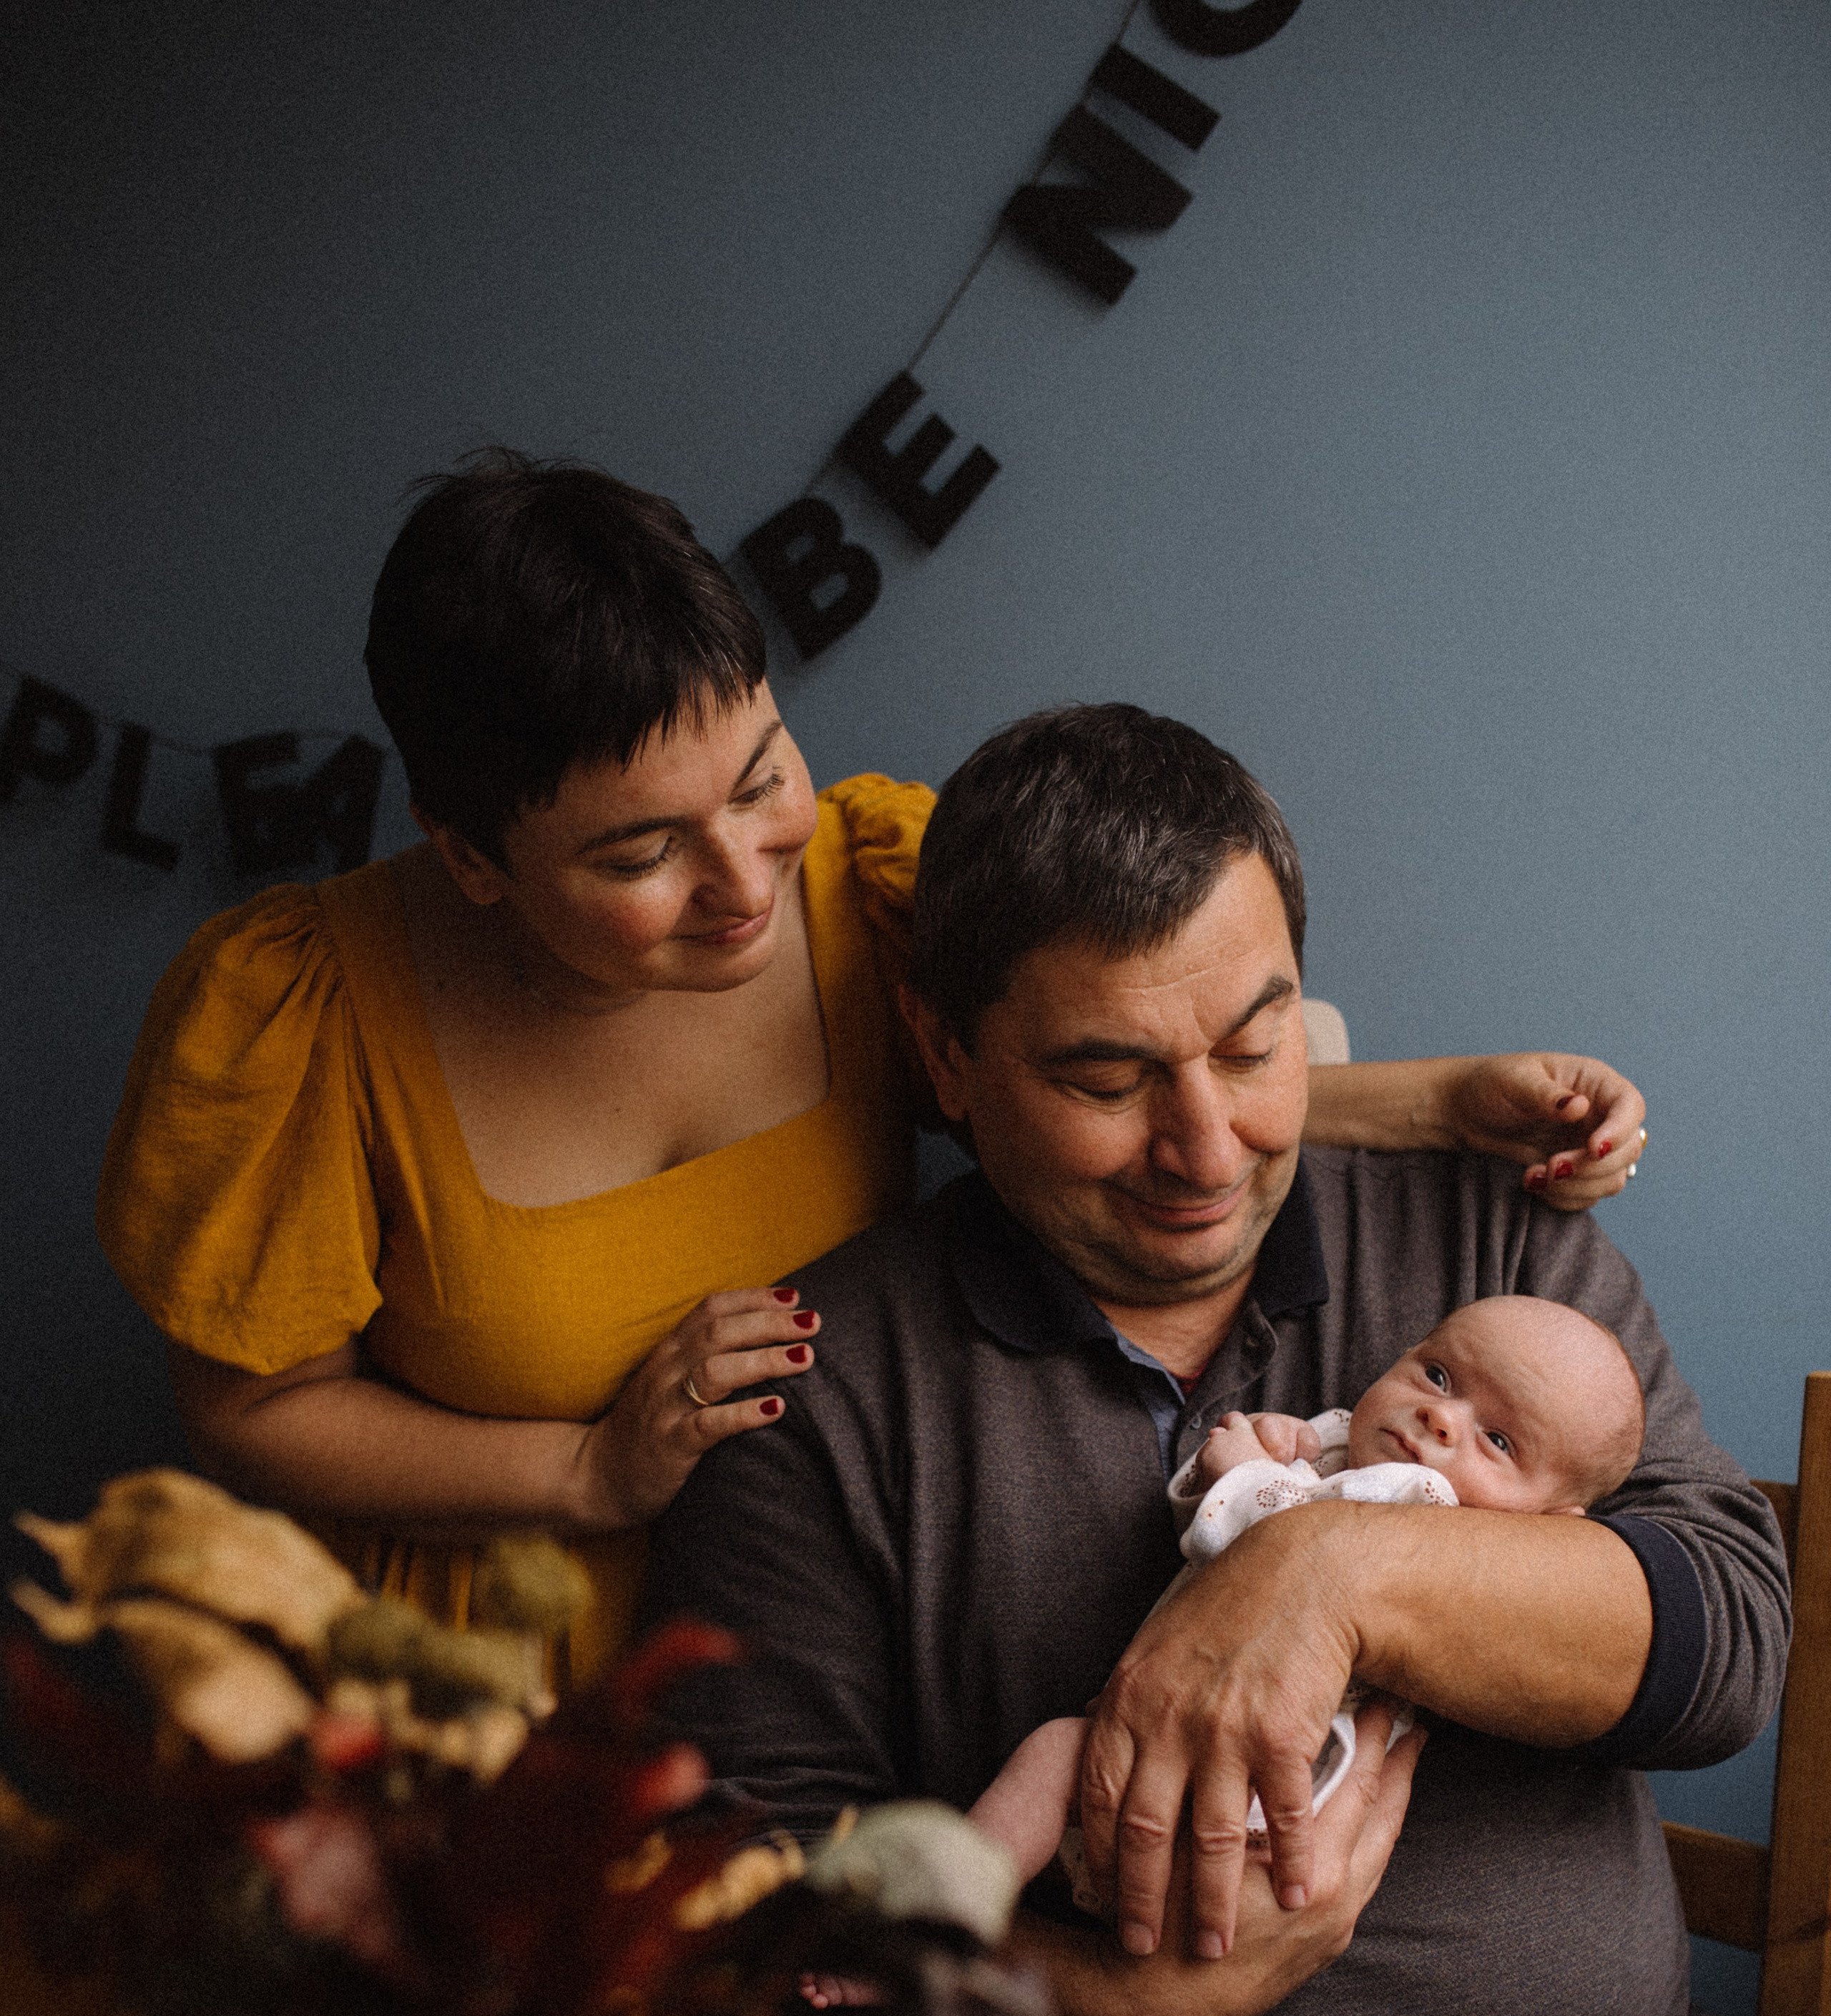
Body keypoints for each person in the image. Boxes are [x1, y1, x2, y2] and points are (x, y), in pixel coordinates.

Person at [642, 703, 1824, 2016]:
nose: (1203, 1148)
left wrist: (1334, 1565)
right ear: (944, 1057)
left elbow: (1726, 1649)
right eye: (1105, 1076)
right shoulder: (818, 1387)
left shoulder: (1496, 1251)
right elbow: (750, 1931)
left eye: (1254, 1044)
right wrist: (1122, 2012)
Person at [97, 453, 1649, 1687]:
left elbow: (1101, 1094)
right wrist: (584, 1472)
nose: (740, 882)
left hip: (829, 1635)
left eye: (760, 776)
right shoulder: (304, 1011)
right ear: (473, 857)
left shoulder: (868, 890)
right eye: (642, 852)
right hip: (483, 1677)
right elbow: (255, 1414)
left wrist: (1441, 1101)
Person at [972, 1293, 1649, 1907]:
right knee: (1057, 1758)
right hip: (1171, 1743)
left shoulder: (1436, 1507)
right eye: (1438, 1376)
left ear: (1551, 1523)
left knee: (1058, 1758)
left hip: (1276, 1775)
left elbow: (1281, 1544)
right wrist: (1240, 1457)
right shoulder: (1338, 1440)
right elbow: (1204, 1537)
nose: (1440, 1417)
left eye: (1498, 1441)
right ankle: (955, 1906)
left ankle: (958, 1903)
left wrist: (1244, 1474)